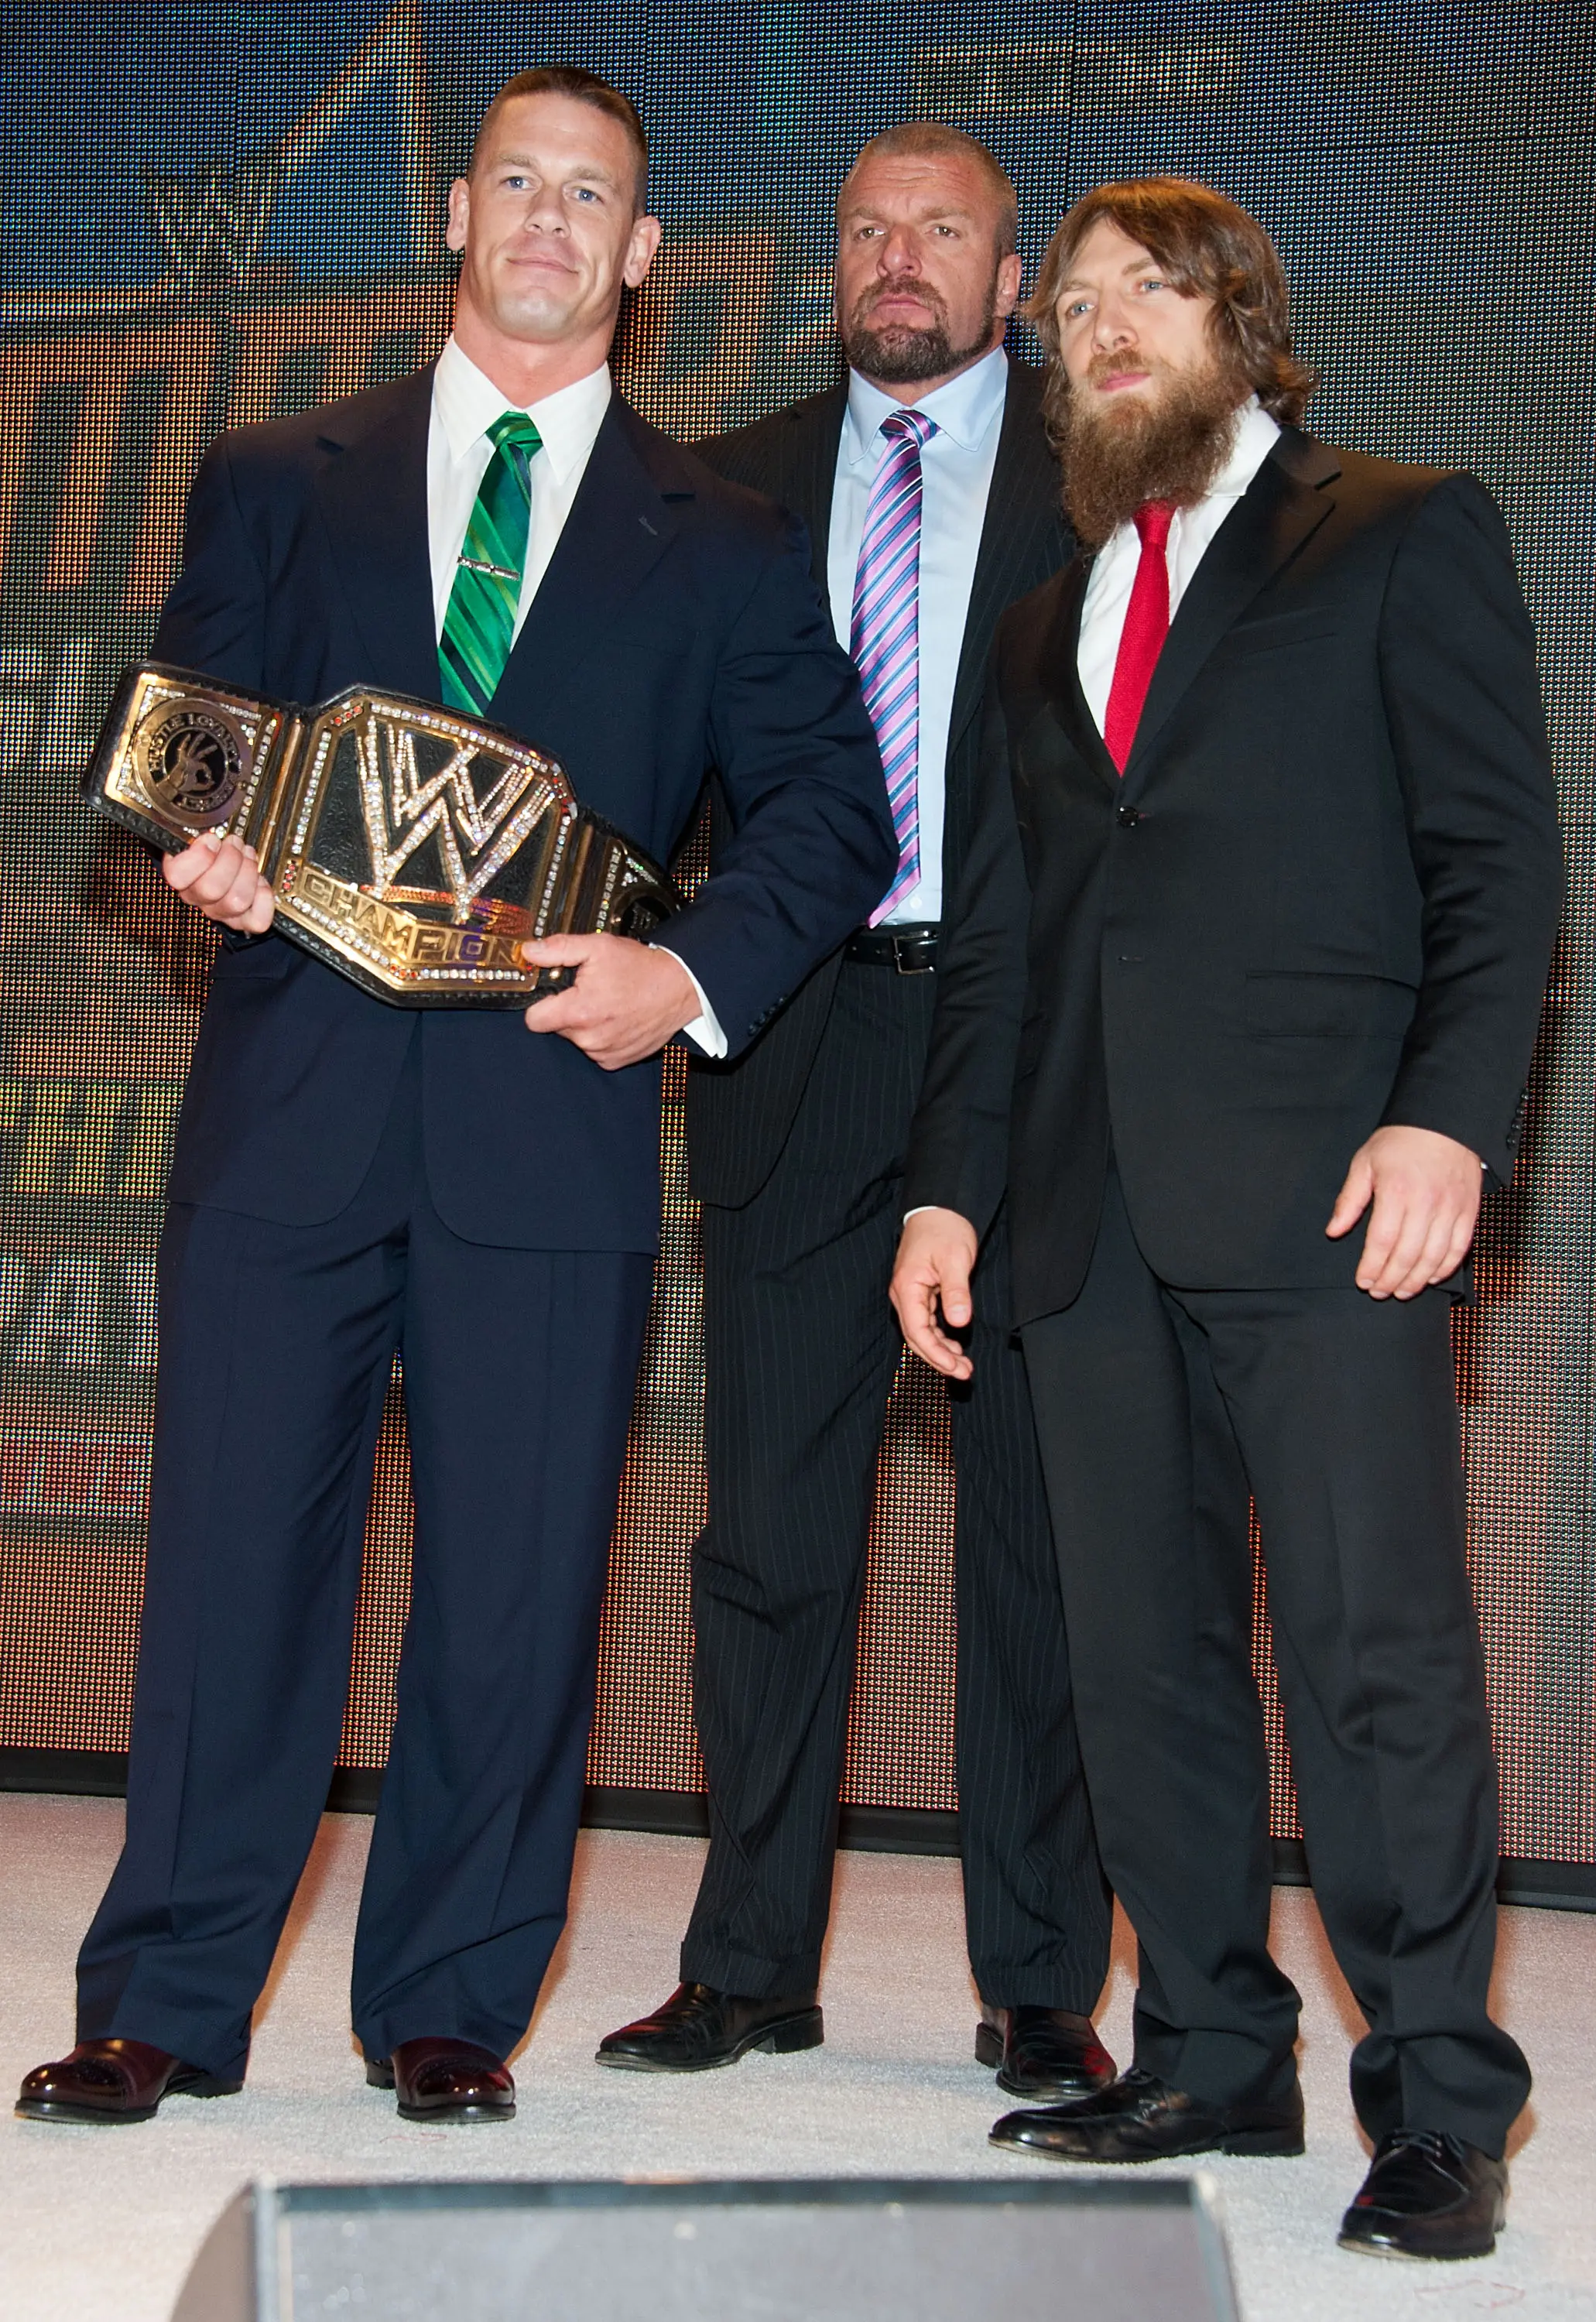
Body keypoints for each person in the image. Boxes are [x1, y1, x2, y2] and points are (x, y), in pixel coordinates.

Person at [16, 67, 894, 2131]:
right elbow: (187, 745)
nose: (548, 219)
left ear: (641, 252)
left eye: (592, 195)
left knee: (510, 1594)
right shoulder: (272, 470)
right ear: (454, 206)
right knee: (231, 1573)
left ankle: (447, 2003)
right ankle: (163, 2000)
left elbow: (836, 809)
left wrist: (685, 972)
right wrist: (195, 854)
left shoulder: (730, 539)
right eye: (518, 181)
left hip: (549, 1133)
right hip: (286, 1120)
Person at [891, 178, 1561, 2258]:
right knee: (1138, 1666)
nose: (1095, 331)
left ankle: (1434, 2102)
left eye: (1138, 297)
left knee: (1375, 1662)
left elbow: (1497, 862)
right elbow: (1000, 953)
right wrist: (942, 1186)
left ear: (1235, 320)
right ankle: (1200, 2042)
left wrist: (1447, 1125)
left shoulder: (1395, 526)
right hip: (1075, 1221)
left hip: (1329, 1199)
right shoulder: (1036, 626)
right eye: (1066, 309)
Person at [598, 124, 1113, 2100]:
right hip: (792, 1047)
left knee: (1037, 1543)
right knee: (767, 1536)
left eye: (947, 235)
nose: (900, 262)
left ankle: (1042, 1980)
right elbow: (652, 782)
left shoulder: (1106, 478)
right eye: (867, 231)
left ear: (1009, 282)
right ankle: (745, 1964)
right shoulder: (719, 485)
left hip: (1036, 1074)